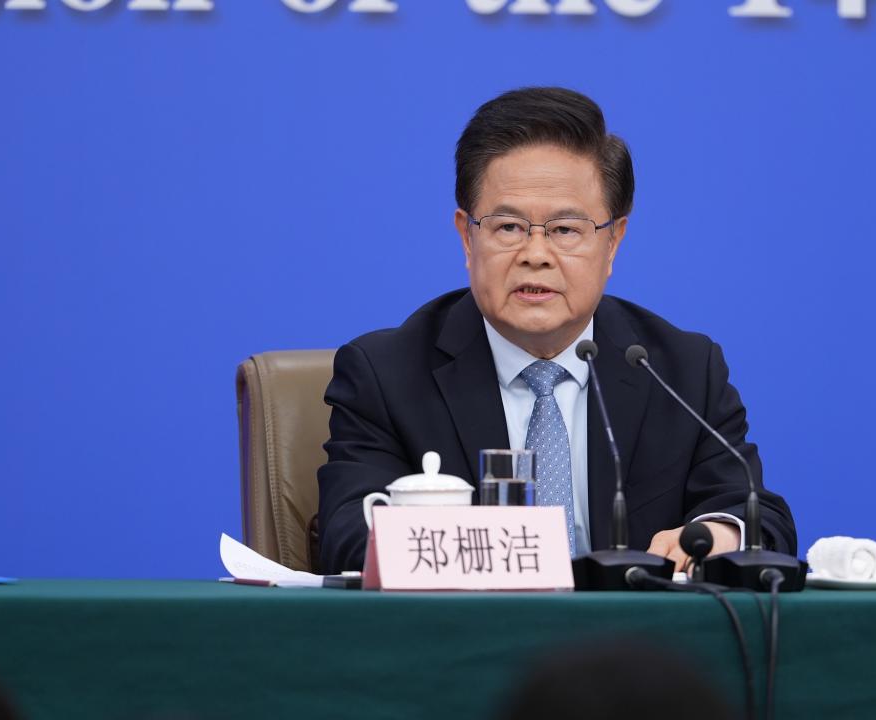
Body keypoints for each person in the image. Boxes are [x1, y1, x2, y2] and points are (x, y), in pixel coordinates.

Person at [317, 87, 795, 573]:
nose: (536, 254)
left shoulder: (681, 371)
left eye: (566, 230)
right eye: (508, 227)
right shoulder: (387, 375)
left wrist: (715, 536)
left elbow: (759, 517)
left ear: (613, 242)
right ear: (467, 237)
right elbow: (347, 534)